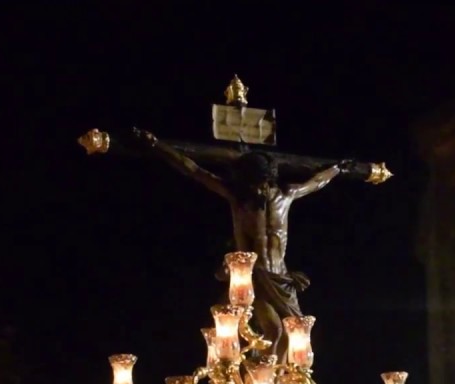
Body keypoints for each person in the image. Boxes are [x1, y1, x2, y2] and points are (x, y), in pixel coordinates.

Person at [133, 128, 350, 356]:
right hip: (253, 277)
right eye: (251, 184)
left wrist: (337, 169)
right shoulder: (238, 198)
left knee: (296, 332)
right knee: (274, 330)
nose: (255, 190)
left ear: (268, 180)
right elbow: (194, 170)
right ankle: (263, 375)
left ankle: (277, 377)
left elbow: (316, 181)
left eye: (259, 185)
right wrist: (157, 146)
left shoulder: (286, 195)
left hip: (281, 278)